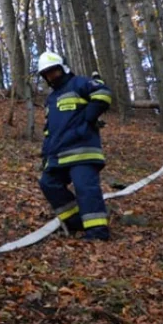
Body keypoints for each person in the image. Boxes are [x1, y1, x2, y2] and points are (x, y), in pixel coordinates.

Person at [37, 52, 112, 241]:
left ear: (62, 68)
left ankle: (97, 232)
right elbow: (49, 130)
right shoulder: (51, 99)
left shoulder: (79, 83)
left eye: (54, 71)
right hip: (58, 153)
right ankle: (76, 222)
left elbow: (103, 93)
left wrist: (88, 117)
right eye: (47, 74)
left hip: (83, 150)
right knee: (48, 183)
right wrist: (46, 154)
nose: (51, 76)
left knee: (85, 188)